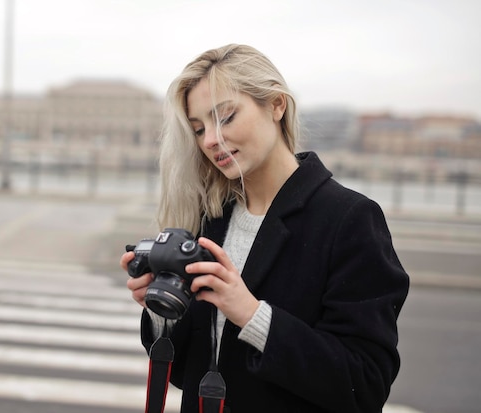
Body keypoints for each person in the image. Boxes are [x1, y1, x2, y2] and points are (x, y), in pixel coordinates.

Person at [120, 44, 409, 413]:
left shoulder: (349, 219)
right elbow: (188, 375)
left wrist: (252, 314)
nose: (210, 140)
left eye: (225, 118)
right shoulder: (210, 216)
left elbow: (364, 385)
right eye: (198, 128)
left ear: (276, 105)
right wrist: (163, 312)